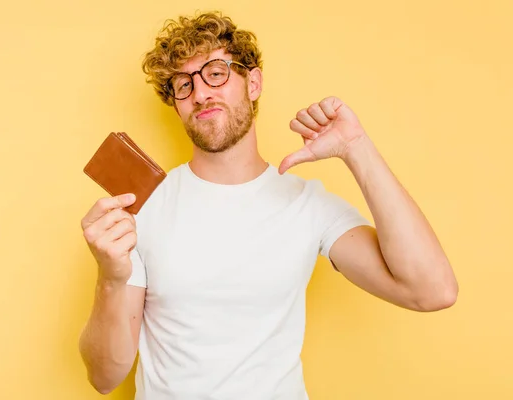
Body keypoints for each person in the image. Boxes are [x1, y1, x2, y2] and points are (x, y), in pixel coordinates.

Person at [78, 11, 458, 400]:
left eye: (215, 73)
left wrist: (356, 148)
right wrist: (110, 277)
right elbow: (105, 377)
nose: (200, 93)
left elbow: (432, 291)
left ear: (253, 82)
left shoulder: (308, 204)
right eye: (183, 84)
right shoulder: (143, 208)